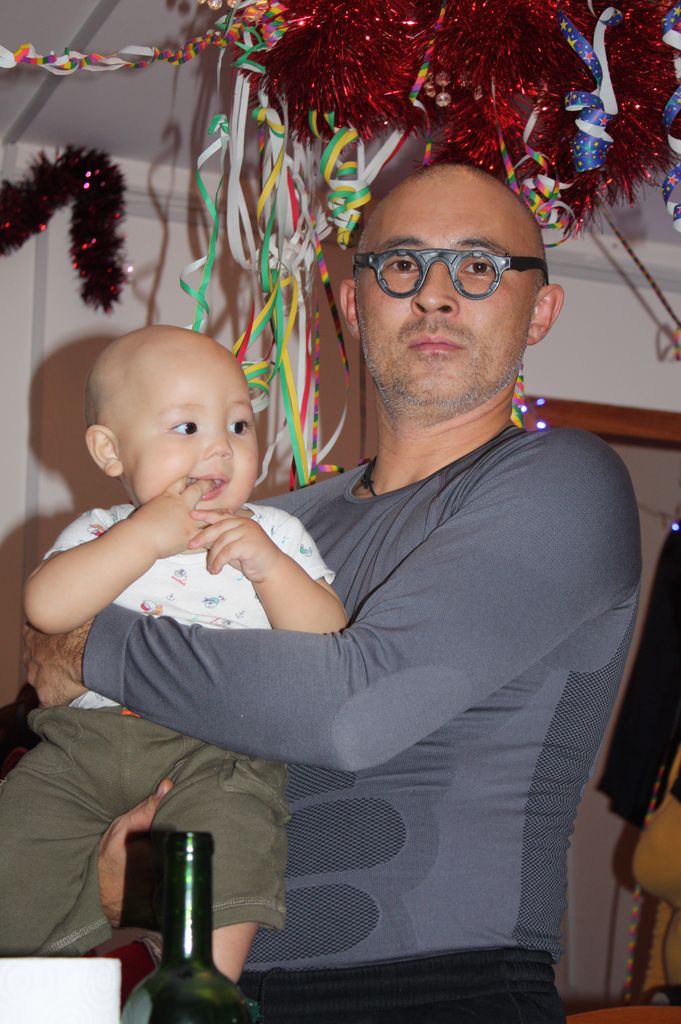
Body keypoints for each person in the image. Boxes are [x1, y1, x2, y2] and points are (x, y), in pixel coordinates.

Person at [25, 164, 642, 1023]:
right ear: (353, 303)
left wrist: (87, 641)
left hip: (439, 994)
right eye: (401, 264)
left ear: (538, 310)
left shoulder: (564, 482)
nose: (434, 295)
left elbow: (353, 712)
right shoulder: (274, 525)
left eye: (478, 266)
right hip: (215, 989)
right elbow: (90, 720)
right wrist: (125, 881)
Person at [3, 326, 346, 980]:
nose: (220, 446)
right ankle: (24, 983)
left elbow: (329, 639)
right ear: (110, 450)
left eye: (239, 425)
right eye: (186, 427)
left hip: (215, 748)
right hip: (84, 745)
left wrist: (270, 569)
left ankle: (201, 990)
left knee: (234, 832)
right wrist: (144, 539)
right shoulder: (103, 531)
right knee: (17, 834)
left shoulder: (273, 533)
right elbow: (46, 608)